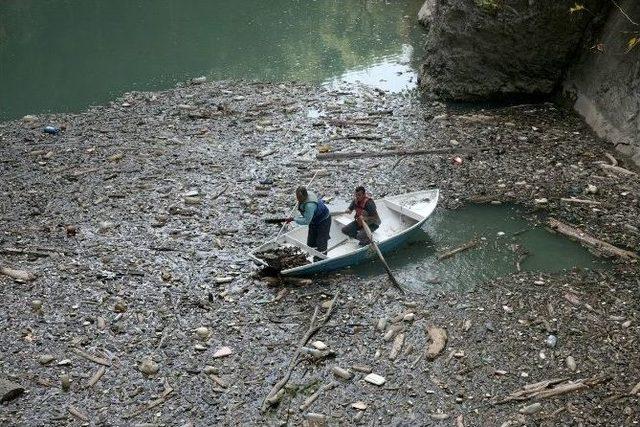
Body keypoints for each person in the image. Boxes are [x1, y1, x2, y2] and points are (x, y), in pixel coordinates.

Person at [286, 186, 331, 261]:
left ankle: (321, 258)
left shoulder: (310, 206)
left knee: (321, 241)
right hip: (314, 220)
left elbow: (306, 221)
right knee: (311, 242)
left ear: (305, 196)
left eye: (299, 197)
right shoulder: (305, 196)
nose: (298, 199)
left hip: (323, 220)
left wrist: (294, 219)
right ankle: (314, 254)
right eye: (297, 197)